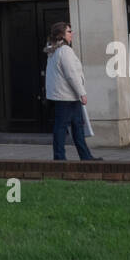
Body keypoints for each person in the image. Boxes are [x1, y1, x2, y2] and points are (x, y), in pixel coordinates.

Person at [44, 21, 101, 161]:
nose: (72, 34)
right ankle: (59, 158)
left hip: (65, 96)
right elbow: (71, 75)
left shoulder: (54, 51)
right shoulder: (65, 51)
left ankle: (85, 156)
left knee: (77, 127)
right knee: (62, 128)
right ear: (61, 35)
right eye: (69, 31)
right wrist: (82, 93)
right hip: (66, 97)